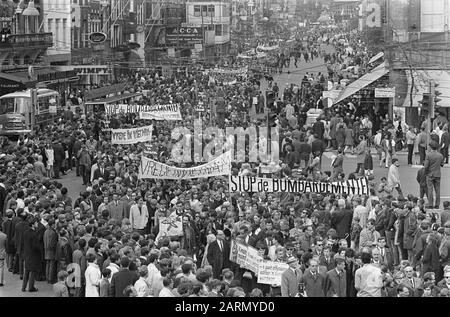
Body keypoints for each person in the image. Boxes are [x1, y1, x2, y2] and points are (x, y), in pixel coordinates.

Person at [424, 141, 444, 209]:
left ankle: (430, 204)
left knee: (430, 190)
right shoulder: (440, 155)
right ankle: (437, 204)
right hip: (437, 174)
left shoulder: (428, 155)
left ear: (430, 147)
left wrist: (426, 172)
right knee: (437, 190)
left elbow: (426, 166)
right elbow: (442, 164)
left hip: (430, 174)